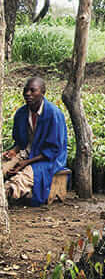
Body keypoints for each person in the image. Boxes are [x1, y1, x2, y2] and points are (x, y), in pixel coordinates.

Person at [2, 77, 68, 206]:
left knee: (19, 180)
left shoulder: (53, 114)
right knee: (2, 166)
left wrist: (25, 163)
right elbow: (20, 142)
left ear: (43, 93)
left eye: (33, 91)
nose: (28, 94)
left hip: (47, 158)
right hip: (27, 151)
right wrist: (13, 152)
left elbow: (53, 150)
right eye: (26, 90)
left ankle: (5, 195)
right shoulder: (21, 113)